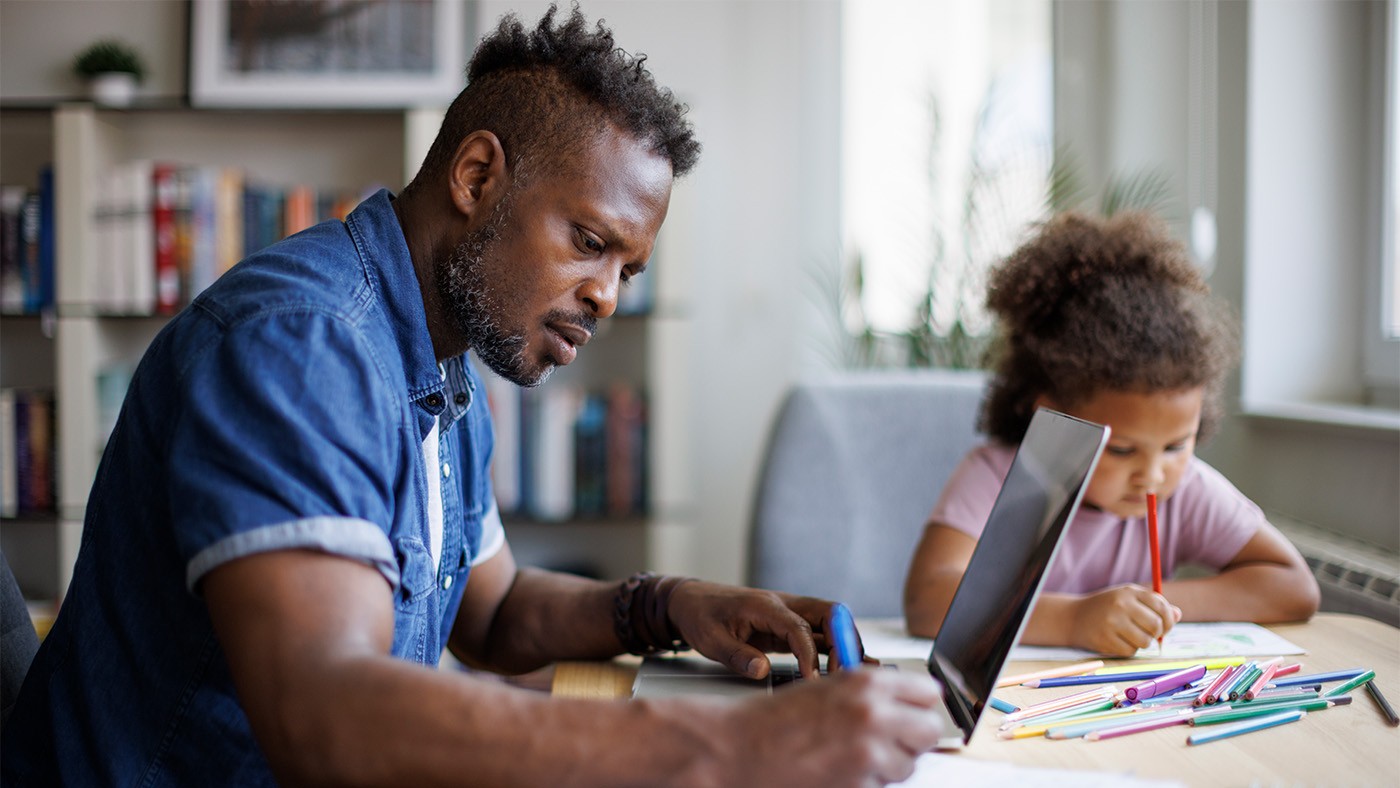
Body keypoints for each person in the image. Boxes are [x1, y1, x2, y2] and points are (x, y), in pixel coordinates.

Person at [2, 5, 946, 786]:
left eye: (627, 269)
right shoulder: (301, 347)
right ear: (477, 176)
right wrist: (732, 745)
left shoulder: (440, 357)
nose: (607, 298)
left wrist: (667, 605)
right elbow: (325, 716)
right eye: (589, 243)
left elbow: (493, 612)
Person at [903, 211, 1320, 657]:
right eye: (1121, 449)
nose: (1153, 475)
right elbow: (927, 599)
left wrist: (1150, 605)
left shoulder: (1186, 489)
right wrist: (1073, 619)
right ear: (1051, 416)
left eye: (1177, 445)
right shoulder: (996, 476)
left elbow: (1294, 587)